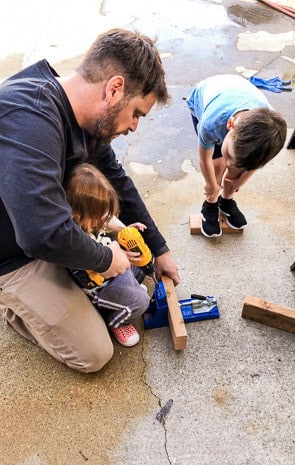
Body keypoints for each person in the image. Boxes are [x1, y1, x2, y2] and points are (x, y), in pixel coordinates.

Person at [0, 28, 180, 373]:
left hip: (46, 226)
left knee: (126, 253)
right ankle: (16, 309)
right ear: (114, 89)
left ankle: (74, 276)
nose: (134, 127)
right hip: (12, 252)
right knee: (94, 353)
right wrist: (104, 258)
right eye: (137, 113)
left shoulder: (87, 123)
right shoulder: (28, 119)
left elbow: (118, 183)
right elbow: (40, 234)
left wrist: (159, 249)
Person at [186, 74, 287, 237]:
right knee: (218, 165)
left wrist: (240, 181)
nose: (230, 164)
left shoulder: (270, 137)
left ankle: (226, 200)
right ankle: (210, 204)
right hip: (206, 96)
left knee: (237, 168)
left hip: (240, 93)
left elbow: (254, 164)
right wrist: (211, 185)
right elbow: (204, 159)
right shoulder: (211, 123)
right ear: (230, 125)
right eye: (230, 157)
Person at [64, 162, 150, 348]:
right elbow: (95, 277)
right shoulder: (74, 242)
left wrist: (125, 230)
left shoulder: (89, 220)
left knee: (140, 269)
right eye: (99, 214)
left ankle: (126, 298)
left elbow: (105, 224)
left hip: (115, 271)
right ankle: (116, 321)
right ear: (75, 213)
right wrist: (117, 256)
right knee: (141, 302)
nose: (104, 218)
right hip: (99, 287)